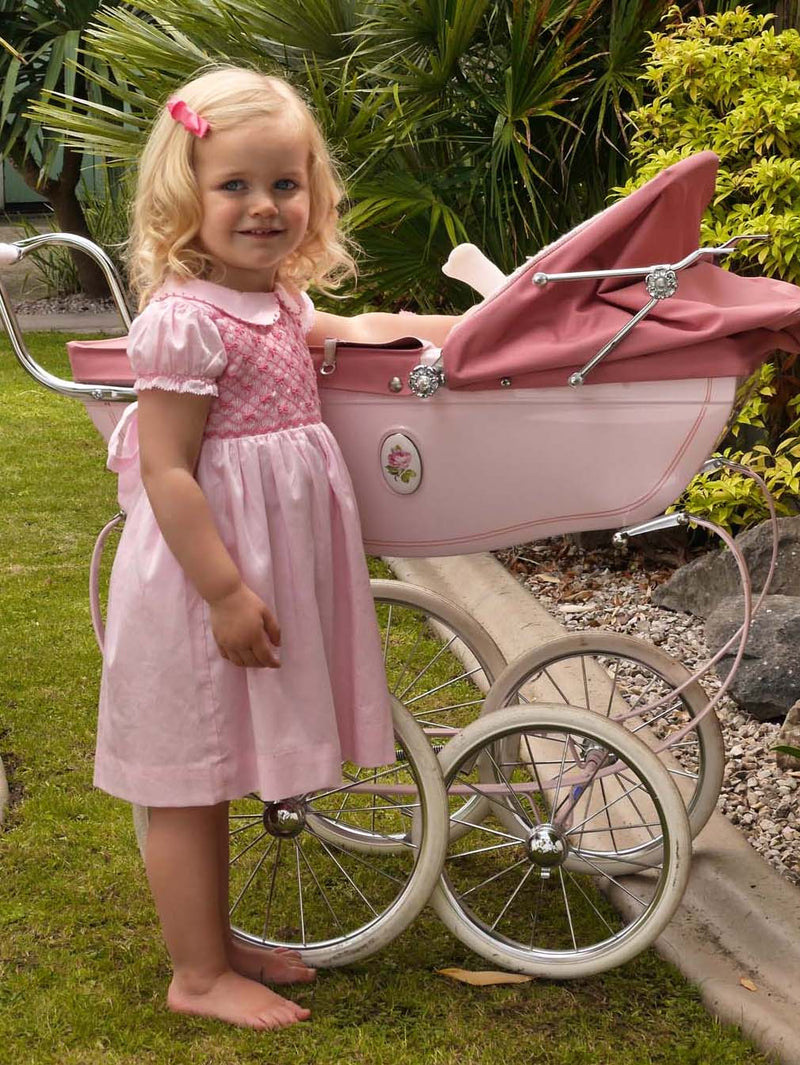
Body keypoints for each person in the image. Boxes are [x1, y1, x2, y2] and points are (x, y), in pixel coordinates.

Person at [94, 66, 463, 1032]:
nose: (264, 206)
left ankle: (214, 943)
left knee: (222, 763)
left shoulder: (283, 302)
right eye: (235, 186)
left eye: (284, 185)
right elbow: (171, 468)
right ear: (187, 194)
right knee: (189, 775)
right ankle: (197, 975)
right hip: (201, 574)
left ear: (314, 193)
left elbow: (366, 329)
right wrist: (221, 590)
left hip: (262, 561)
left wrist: (458, 333)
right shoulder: (184, 319)